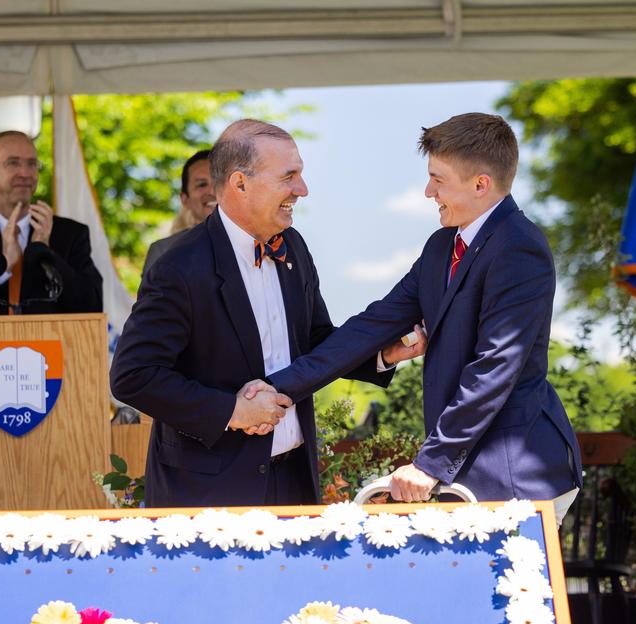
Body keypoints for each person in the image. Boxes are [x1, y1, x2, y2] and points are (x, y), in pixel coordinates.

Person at [263, 113, 581, 519]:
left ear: (481, 184)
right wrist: (276, 388)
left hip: (517, 474)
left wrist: (430, 463)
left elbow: (495, 368)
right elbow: (374, 325)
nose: (429, 191)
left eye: (438, 179)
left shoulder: (520, 247)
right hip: (468, 475)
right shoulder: (441, 247)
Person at [110, 119, 422, 508]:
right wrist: (232, 410)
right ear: (240, 184)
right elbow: (133, 376)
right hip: (208, 490)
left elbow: (315, 339)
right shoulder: (178, 267)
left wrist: (380, 355)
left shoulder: (294, 247)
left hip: (294, 479)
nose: (302, 190)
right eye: (289, 177)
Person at [0, 131, 103, 316]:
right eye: (13, 163)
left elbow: (93, 306)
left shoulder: (70, 234)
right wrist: (3, 267)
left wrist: (47, 254)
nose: (25, 173)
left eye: (32, 164)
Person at [141, 149, 216, 277]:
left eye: (218, 182)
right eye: (202, 184)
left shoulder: (256, 245)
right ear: (185, 199)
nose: (212, 191)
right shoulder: (163, 252)